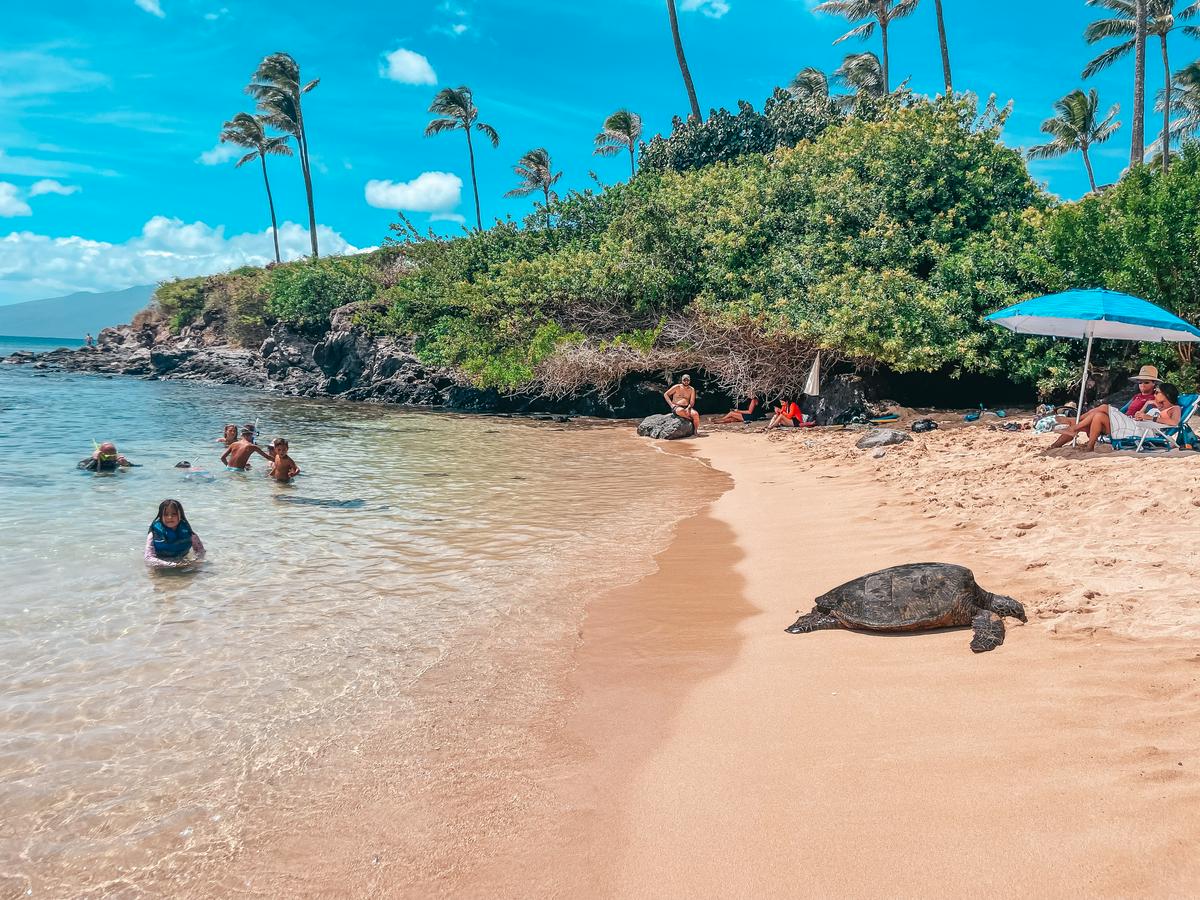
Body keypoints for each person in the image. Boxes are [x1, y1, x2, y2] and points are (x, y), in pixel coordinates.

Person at [1050, 382, 1182, 452]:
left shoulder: (1174, 408)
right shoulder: (1155, 406)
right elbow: (1140, 415)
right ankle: (1088, 446)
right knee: (1098, 415)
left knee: (1104, 407)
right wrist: (1146, 408)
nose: (1155, 394)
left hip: (1143, 432)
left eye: (1157, 392)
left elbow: (1174, 422)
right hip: (1135, 424)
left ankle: (1073, 425)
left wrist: (1149, 417)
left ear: (1166, 394)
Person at [144, 498, 205, 568]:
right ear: (161, 516)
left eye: (174, 514)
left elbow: (200, 551)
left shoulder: (189, 533)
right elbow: (148, 558)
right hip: (160, 567)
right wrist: (173, 564)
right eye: (166, 514)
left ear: (180, 515)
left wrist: (196, 561)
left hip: (183, 565)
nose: (170, 517)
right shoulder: (153, 535)